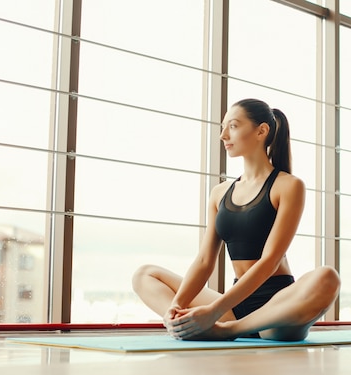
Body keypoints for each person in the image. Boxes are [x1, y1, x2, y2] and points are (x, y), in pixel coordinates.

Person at [132, 98, 340, 341]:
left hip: (276, 309)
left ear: (261, 131)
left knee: (327, 277)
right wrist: (176, 306)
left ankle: (227, 330)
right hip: (234, 306)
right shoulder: (220, 193)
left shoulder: (288, 185)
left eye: (232, 126)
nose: (223, 135)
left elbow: (270, 261)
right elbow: (203, 261)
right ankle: (186, 325)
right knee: (144, 274)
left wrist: (214, 311)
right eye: (223, 127)